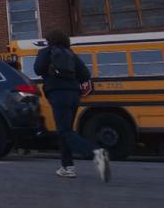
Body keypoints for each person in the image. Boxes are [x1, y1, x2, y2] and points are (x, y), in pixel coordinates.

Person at [34, 29, 111, 182]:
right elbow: (85, 75)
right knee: (67, 131)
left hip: (58, 94)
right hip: (74, 95)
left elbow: (37, 70)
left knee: (64, 131)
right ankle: (67, 167)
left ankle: (95, 153)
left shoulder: (46, 51)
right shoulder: (71, 54)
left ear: (50, 40)